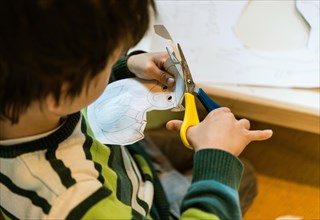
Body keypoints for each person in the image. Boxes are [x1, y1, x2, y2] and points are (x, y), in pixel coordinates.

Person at [0, 1, 273, 219]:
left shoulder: (26, 101)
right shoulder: (73, 203)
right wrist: (217, 157)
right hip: (132, 203)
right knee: (234, 176)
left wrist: (124, 67)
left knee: (239, 171)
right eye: (107, 62)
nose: (116, 62)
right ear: (60, 92)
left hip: (124, 162)